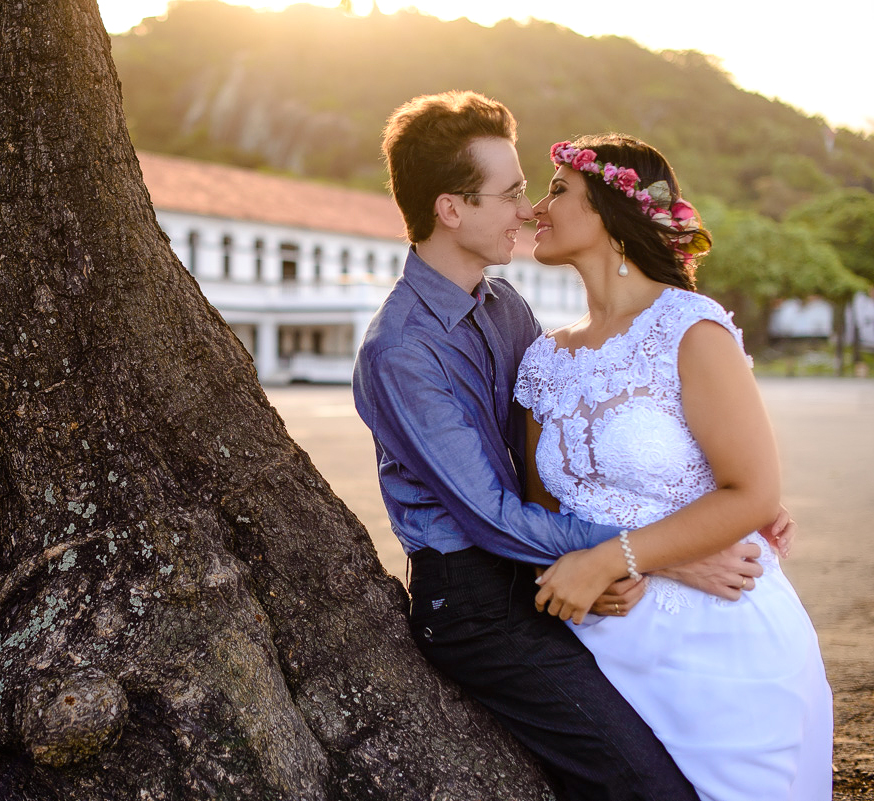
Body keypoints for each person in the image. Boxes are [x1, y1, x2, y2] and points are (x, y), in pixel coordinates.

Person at [352, 91, 758, 800]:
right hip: (475, 601)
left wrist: (723, 503)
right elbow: (488, 515)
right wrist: (665, 551)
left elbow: (569, 446)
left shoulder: (506, 307)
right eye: (510, 194)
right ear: (452, 209)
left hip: (546, 566)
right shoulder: (401, 350)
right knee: (646, 784)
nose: (528, 209)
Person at [522, 134, 833, 799]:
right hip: (595, 651)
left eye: (557, 190)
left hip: (723, 649)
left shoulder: (690, 329)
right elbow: (538, 519)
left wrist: (612, 558)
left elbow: (753, 492)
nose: (534, 208)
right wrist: (646, 558)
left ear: (610, 207)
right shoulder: (542, 362)